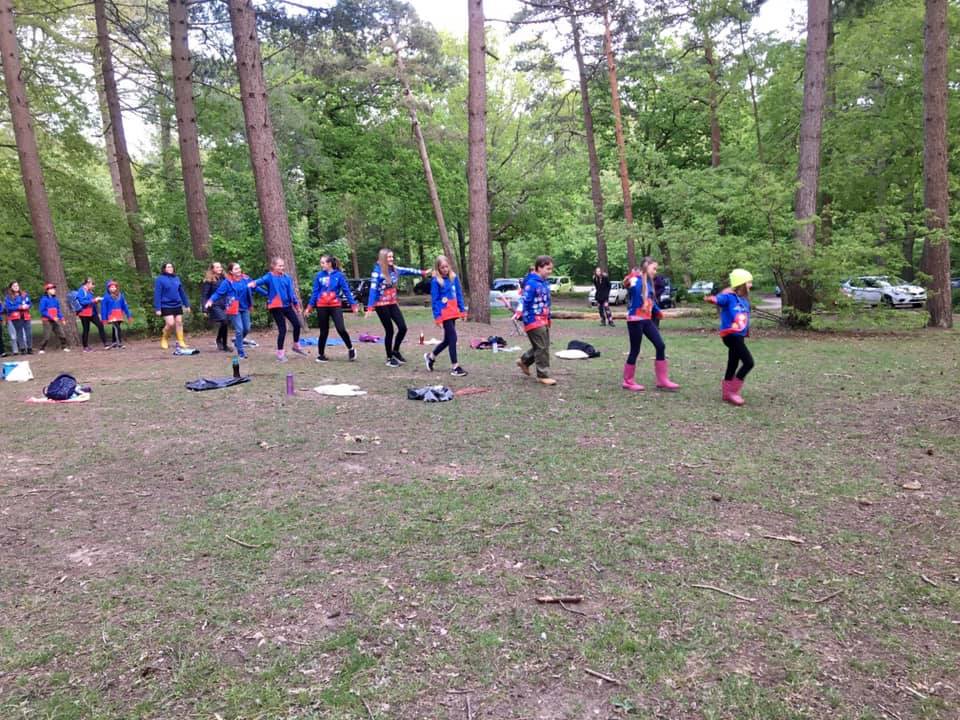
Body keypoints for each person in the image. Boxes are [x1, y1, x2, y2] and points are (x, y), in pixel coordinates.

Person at [622, 257, 679, 392]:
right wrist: (632, 276)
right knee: (635, 350)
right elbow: (627, 284)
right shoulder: (637, 280)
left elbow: (649, 301)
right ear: (646, 267)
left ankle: (662, 380)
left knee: (660, 345)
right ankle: (628, 381)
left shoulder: (648, 283)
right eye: (654, 268)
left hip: (646, 319)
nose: (655, 271)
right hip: (635, 320)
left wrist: (658, 311)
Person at [365, 248, 429, 367]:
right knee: (389, 330)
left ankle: (395, 351)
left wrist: (422, 272)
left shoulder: (394, 269)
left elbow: (408, 271)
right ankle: (389, 358)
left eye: (392, 257)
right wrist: (369, 307)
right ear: (383, 258)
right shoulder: (377, 272)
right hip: (381, 305)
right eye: (389, 257)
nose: (391, 259)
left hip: (392, 303)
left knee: (403, 328)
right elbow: (373, 290)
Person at [706, 268, 754, 406]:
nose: (751, 285)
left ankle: (727, 392)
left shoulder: (744, 300)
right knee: (749, 362)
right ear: (741, 283)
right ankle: (733, 391)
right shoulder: (729, 297)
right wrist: (713, 299)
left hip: (739, 335)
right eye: (749, 282)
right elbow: (719, 299)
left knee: (733, 361)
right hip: (730, 335)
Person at [250, 257, 305, 362]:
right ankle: (280, 354)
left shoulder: (286, 277)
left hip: (287, 306)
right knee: (282, 329)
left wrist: (296, 306)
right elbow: (257, 283)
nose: (282, 267)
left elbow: (291, 293)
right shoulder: (269, 277)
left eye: (282, 265)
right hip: (276, 307)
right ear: (273, 266)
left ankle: (296, 345)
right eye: (279, 266)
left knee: (297, 325)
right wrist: (259, 289)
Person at [304, 255, 358, 363]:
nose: (321, 265)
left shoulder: (339, 275)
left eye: (323, 263)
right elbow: (315, 292)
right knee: (323, 331)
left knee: (341, 329)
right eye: (321, 263)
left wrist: (353, 305)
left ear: (329, 264)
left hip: (335, 306)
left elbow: (346, 290)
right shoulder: (319, 276)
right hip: (321, 306)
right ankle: (321, 355)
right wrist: (309, 307)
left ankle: (351, 349)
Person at [424, 255, 467, 377]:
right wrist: (437, 317)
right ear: (438, 268)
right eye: (442, 267)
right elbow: (435, 300)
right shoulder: (435, 281)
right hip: (444, 313)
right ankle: (455, 366)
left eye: (446, 267)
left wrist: (462, 310)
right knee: (453, 338)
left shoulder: (454, 278)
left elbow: (459, 294)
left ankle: (431, 357)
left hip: (453, 311)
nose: (445, 269)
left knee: (447, 340)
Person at [516, 256, 556, 386]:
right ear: (539, 267)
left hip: (543, 318)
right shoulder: (531, 283)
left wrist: (548, 317)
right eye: (548, 268)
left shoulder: (544, 283)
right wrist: (519, 312)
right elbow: (524, 299)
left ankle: (524, 361)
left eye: (551, 269)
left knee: (542, 345)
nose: (550, 271)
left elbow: (546, 302)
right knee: (542, 347)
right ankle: (542, 375)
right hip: (533, 319)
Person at [205, 262, 258, 358]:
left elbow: (255, 286)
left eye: (239, 268)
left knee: (246, 328)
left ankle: (238, 342)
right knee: (239, 330)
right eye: (236, 269)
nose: (239, 270)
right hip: (233, 308)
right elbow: (218, 293)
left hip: (245, 307)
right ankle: (241, 352)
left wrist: (268, 294)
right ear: (231, 271)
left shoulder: (246, 278)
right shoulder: (227, 282)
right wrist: (210, 300)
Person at [153, 262, 192, 351]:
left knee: (179, 322)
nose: (170, 268)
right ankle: (164, 338)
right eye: (168, 267)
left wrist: (187, 305)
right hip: (165, 304)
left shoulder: (176, 278)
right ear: (164, 269)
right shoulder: (160, 279)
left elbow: (182, 292)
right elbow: (157, 294)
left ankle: (181, 341)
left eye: (171, 267)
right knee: (170, 324)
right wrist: (158, 308)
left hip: (177, 304)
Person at [201, 262, 229, 352]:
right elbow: (204, 295)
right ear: (212, 269)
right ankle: (219, 341)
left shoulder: (225, 278)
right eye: (217, 267)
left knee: (225, 323)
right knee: (224, 320)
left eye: (220, 267)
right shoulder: (209, 281)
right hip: (214, 304)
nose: (220, 268)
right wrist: (204, 309)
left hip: (225, 304)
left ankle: (224, 344)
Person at [75, 277, 108, 352]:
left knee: (100, 325)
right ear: (87, 283)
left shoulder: (90, 291)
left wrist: (97, 301)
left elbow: (91, 302)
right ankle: (85, 347)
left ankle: (106, 344)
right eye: (92, 284)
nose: (93, 286)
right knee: (86, 329)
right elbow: (82, 302)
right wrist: (94, 300)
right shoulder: (81, 291)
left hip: (92, 313)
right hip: (84, 314)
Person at [38, 283, 69, 353]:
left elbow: (58, 310)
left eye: (54, 288)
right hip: (47, 320)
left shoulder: (55, 299)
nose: (53, 290)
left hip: (54, 320)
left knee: (61, 333)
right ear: (47, 291)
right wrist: (52, 317)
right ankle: (41, 349)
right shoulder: (44, 299)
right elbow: (42, 311)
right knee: (47, 336)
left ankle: (64, 347)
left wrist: (62, 319)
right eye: (51, 289)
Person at [101, 279, 132, 348]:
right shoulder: (106, 297)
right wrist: (104, 318)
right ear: (108, 288)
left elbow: (124, 306)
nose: (113, 288)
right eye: (111, 287)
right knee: (117, 328)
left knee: (115, 328)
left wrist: (129, 315)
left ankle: (114, 342)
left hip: (119, 315)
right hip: (111, 315)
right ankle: (119, 343)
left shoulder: (120, 296)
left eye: (114, 287)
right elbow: (103, 308)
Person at [4, 281, 32, 354]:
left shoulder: (24, 294)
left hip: (26, 315)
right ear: (11, 288)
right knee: (19, 333)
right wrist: (19, 307)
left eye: (17, 285)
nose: (16, 287)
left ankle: (29, 348)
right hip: (16, 317)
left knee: (28, 333)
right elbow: (9, 307)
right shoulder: (8, 297)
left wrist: (27, 306)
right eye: (14, 286)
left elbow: (29, 303)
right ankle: (22, 349)